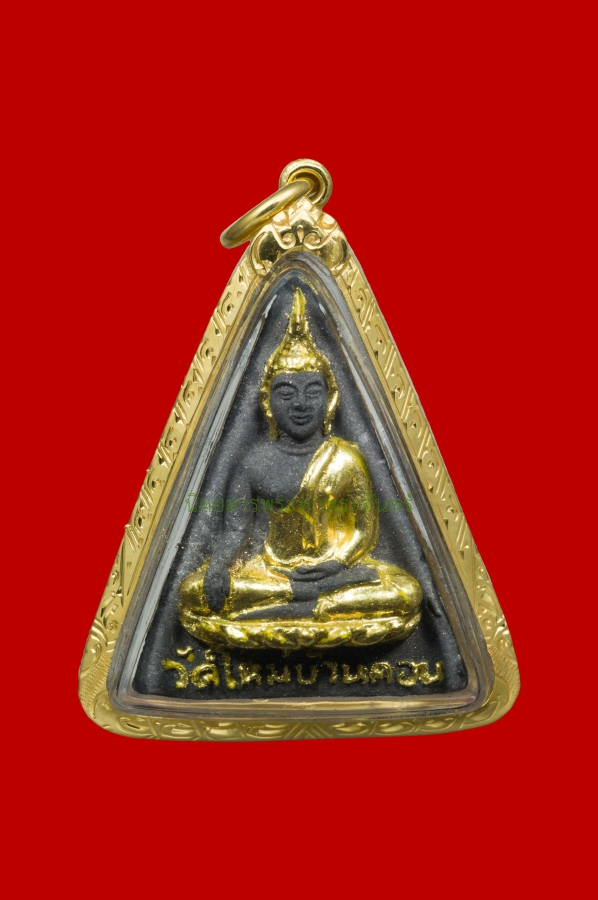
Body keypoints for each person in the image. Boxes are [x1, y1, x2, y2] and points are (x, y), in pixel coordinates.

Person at [179, 288, 422, 625]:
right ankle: (309, 600)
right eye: (286, 394)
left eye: (313, 392)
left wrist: (336, 564)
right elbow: (235, 529)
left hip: (337, 571)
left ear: (330, 400)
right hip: (274, 572)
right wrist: (219, 567)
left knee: (406, 591)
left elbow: (364, 529)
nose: (300, 405)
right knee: (193, 589)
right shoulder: (254, 462)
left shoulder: (346, 458)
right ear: (267, 402)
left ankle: (301, 603)